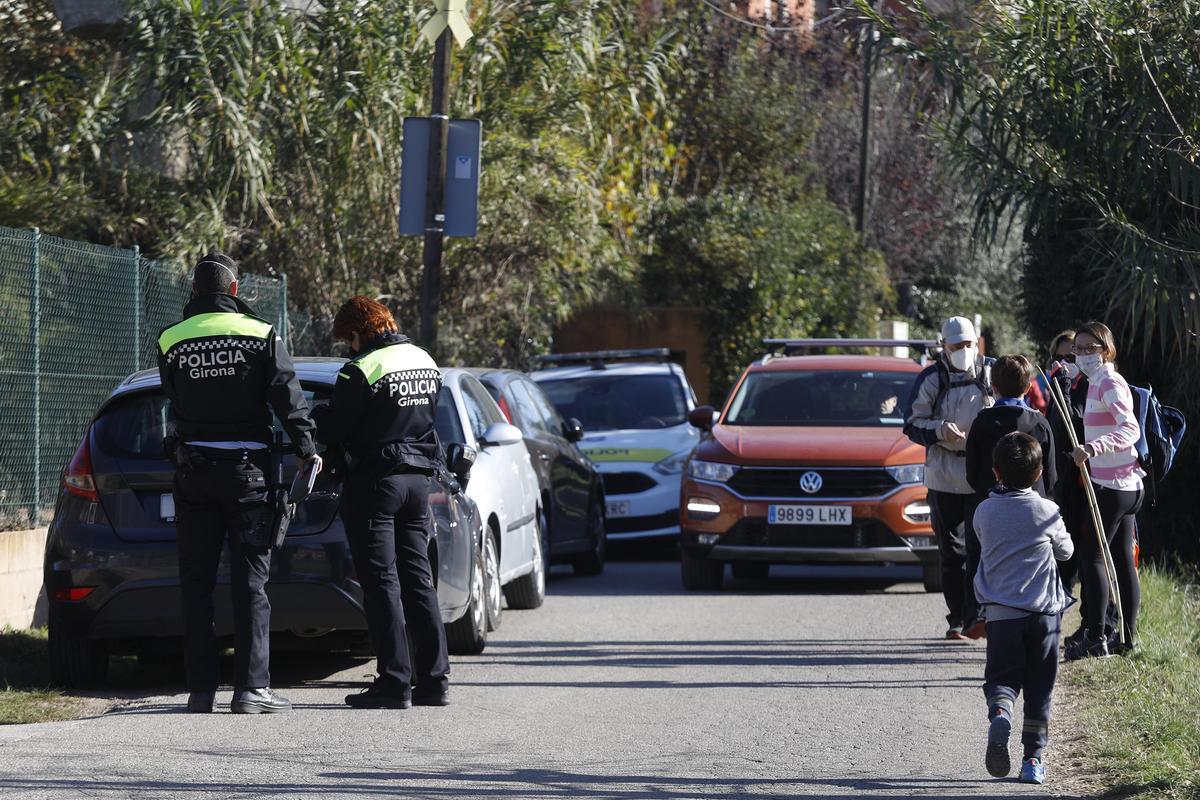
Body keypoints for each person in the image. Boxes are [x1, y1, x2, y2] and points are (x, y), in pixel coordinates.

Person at [157, 252, 320, 714]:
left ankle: (200, 691)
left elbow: (173, 395)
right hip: (248, 475)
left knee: (196, 583)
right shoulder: (262, 334)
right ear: (233, 291)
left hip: (193, 474)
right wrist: (308, 449)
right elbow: (288, 398)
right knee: (251, 583)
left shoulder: (171, 338)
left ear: (193, 292)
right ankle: (251, 690)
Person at [311, 296, 450, 708]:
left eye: (347, 339)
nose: (348, 347)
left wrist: (318, 415)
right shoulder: (424, 359)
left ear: (356, 332)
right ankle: (435, 680)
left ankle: (393, 682)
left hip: (376, 484)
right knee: (419, 581)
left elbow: (337, 427)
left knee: (381, 584)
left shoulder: (361, 370)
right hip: (418, 482)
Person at [974, 431, 1074, 786]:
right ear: (1038, 474)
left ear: (996, 472)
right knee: (1039, 689)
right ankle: (1033, 759)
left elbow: (985, 540)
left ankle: (1001, 711)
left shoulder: (984, 511)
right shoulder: (1047, 511)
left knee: (1002, 680)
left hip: (1001, 615)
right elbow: (1066, 552)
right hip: (1044, 615)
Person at [905, 316, 994, 639]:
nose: (964, 351)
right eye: (957, 346)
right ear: (943, 346)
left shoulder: (990, 372)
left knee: (980, 548)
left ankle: (977, 616)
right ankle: (956, 617)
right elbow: (912, 424)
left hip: (981, 474)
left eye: (968, 345)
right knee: (951, 552)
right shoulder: (931, 379)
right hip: (943, 474)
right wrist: (940, 429)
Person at [962, 355, 1057, 639]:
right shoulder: (1039, 423)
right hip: (1032, 507)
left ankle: (978, 612)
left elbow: (971, 471)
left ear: (993, 386)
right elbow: (1051, 474)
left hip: (989, 503)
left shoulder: (981, 423)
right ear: (1029, 387)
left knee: (979, 557)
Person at [1064, 321, 1144, 659]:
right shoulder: (1095, 381)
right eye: (1078, 349)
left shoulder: (1109, 381)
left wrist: (1093, 448)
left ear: (1106, 350)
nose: (1083, 355)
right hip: (1126, 485)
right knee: (1123, 561)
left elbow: (1130, 428)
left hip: (1113, 486)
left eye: (1090, 348)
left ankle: (1096, 638)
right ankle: (1127, 639)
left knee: (1092, 557)